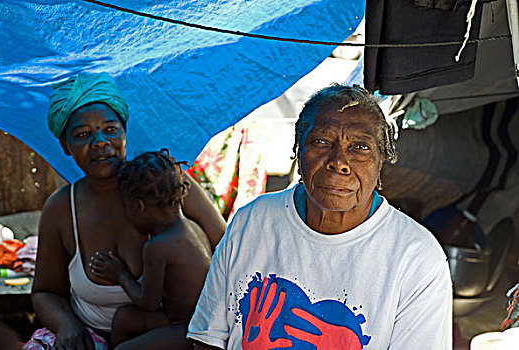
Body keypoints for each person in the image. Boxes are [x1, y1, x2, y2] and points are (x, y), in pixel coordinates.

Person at [188, 84, 453, 349]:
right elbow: (208, 337)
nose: (339, 161)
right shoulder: (253, 221)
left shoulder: (416, 257)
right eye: (321, 141)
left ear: (381, 161)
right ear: (298, 151)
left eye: (360, 147)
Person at [27, 72, 226, 350]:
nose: (99, 141)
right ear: (65, 146)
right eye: (83, 134)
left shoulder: (165, 184)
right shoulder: (61, 209)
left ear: (124, 133)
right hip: (92, 337)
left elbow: (230, 253)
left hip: (180, 334)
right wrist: (66, 325)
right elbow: (45, 292)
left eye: (110, 129)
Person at [89, 149, 212, 350]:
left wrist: (120, 274)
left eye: (126, 208)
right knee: (124, 318)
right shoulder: (191, 227)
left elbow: (148, 303)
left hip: (194, 330)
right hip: (184, 318)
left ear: (138, 207)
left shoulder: (157, 246)